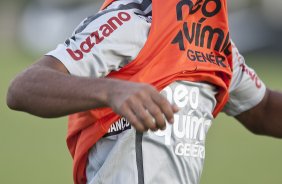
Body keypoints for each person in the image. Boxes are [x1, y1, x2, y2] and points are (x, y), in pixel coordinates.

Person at [6, 0, 282, 184]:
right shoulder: (132, 22)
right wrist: (111, 90)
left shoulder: (217, 46)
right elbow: (24, 87)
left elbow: (266, 109)